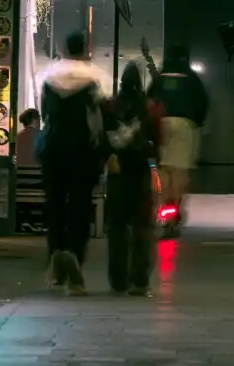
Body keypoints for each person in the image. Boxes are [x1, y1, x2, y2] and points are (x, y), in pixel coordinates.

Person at [39, 32, 106, 293]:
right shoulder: (95, 77)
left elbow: (45, 113)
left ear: (63, 47)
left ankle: (56, 260)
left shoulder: (49, 75)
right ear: (86, 48)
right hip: (82, 152)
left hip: (54, 149)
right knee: (79, 208)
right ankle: (76, 258)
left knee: (55, 207)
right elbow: (98, 119)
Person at [103, 62, 160, 296]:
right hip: (140, 173)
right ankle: (139, 280)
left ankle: (118, 280)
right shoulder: (149, 108)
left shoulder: (110, 107)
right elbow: (157, 140)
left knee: (117, 227)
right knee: (142, 227)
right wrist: (155, 166)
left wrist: (109, 156)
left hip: (117, 173)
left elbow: (100, 137)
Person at [146, 46, 209, 227]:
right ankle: (174, 209)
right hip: (184, 124)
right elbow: (203, 103)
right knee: (180, 171)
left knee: (163, 169)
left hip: (162, 124)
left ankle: (164, 209)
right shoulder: (192, 79)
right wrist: (196, 121)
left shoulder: (159, 78)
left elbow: (149, 101)